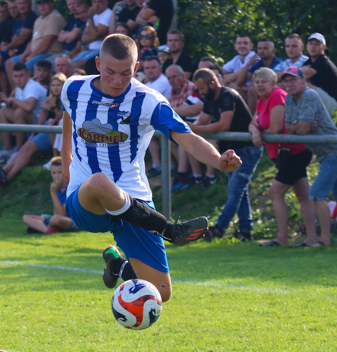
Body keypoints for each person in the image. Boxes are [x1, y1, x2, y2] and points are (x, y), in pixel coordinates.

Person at [62, 34, 242, 302]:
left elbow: (187, 137)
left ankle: (117, 265)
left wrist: (217, 161)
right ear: (98, 64)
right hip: (88, 200)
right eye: (110, 72)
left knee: (159, 294)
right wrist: (68, 170)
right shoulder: (74, 88)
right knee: (100, 181)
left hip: (135, 203)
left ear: (136, 69)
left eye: (125, 73)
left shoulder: (148, 100)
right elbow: (68, 122)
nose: (116, 81)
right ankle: (169, 230)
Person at [281, 66, 337, 249]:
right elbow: (291, 129)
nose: (290, 83)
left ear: (303, 81)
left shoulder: (310, 95)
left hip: (335, 150)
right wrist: (299, 125)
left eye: (294, 79)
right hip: (325, 153)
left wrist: (299, 126)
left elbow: (301, 130)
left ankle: (324, 240)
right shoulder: (288, 99)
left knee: (317, 194)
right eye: (286, 80)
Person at [248, 67, 318, 247]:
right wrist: (255, 130)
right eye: (257, 82)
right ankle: (312, 239)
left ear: (273, 83)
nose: (260, 85)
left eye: (264, 81)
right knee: (303, 194)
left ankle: (282, 238)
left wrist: (259, 131)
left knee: (275, 192)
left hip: (295, 152)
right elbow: (253, 122)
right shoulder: (262, 100)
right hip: (283, 155)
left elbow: (275, 129)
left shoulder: (277, 96)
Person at [190, 68, 259, 242]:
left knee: (235, 191)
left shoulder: (228, 95)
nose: (201, 92)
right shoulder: (209, 98)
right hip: (232, 151)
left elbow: (223, 125)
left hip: (247, 150)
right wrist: (190, 129)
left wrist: (196, 129)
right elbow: (202, 120)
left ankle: (219, 228)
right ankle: (245, 231)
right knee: (239, 192)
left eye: (203, 88)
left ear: (212, 84)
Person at [0, 72, 65, 185]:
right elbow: (42, 120)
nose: (56, 88)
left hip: (56, 129)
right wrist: (37, 129)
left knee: (28, 148)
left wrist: (52, 108)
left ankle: (6, 177)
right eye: (53, 85)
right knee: (24, 147)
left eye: (59, 85)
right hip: (47, 128)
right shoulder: (49, 99)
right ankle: (3, 172)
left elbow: (62, 117)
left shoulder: (66, 99)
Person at [0, 62, 47, 164]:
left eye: (21, 76)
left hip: (40, 122)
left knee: (19, 112)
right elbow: (17, 105)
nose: (18, 79)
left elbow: (29, 107)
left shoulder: (32, 86)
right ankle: (7, 150)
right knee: (3, 112)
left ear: (28, 75)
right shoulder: (19, 88)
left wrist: (12, 99)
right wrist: (7, 102)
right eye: (15, 76)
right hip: (29, 119)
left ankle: (18, 149)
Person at [23, 156, 79, 233]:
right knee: (26, 217)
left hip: (73, 221)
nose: (56, 176)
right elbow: (55, 212)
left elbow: (61, 214)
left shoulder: (71, 187)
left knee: (55, 219)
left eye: (59, 172)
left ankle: (42, 228)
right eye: (54, 173)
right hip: (57, 219)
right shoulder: (57, 188)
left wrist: (53, 192)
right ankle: (48, 230)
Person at [300, 33, 337, 114]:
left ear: (324, 47)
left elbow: (299, 77)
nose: (313, 46)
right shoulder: (308, 62)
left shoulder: (323, 61)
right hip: (324, 100)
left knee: (299, 83)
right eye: (311, 44)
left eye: (317, 44)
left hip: (334, 105)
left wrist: (297, 71)